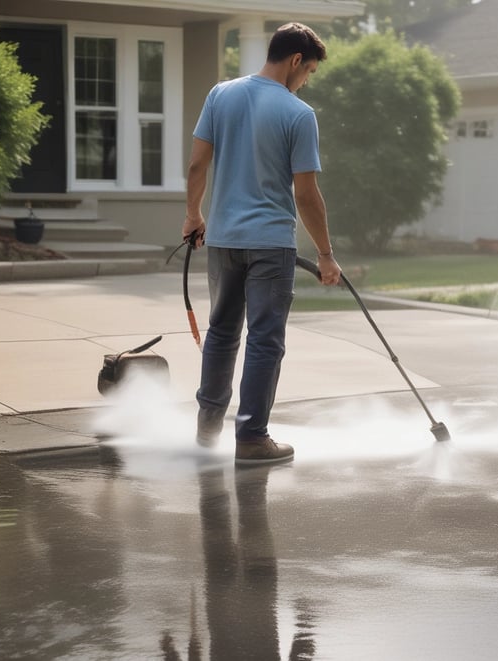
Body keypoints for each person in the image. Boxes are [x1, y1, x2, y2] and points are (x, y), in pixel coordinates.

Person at [182, 22, 341, 466]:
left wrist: (194, 215)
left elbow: (197, 165)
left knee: (222, 334)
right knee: (264, 340)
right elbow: (306, 195)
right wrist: (326, 255)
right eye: (308, 71)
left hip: (224, 239)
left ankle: (207, 432)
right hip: (271, 244)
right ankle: (251, 438)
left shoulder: (221, 94)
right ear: (295, 62)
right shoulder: (298, 114)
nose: (306, 80)